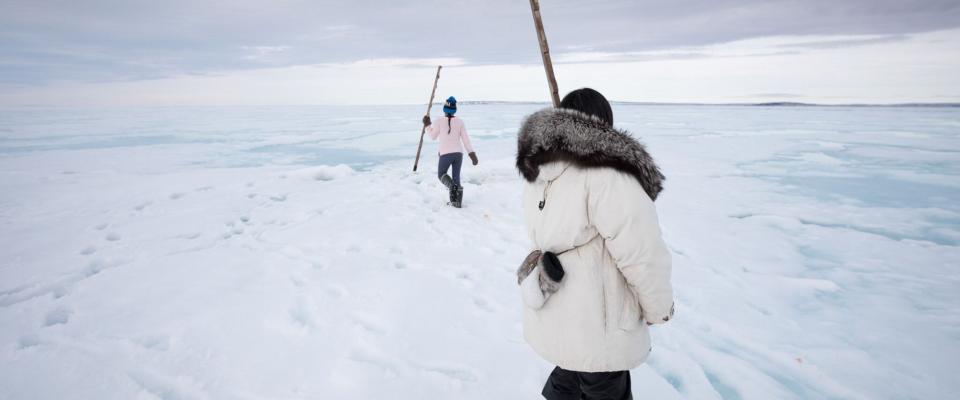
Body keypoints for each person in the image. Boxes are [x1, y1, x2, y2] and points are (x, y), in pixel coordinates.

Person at [515, 88, 674, 400]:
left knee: (572, 370)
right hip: (600, 323)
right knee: (598, 378)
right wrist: (658, 308)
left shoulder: (541, 172)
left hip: (562, 313)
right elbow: (641, 252)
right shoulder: (608, 175)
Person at [422, 96, 478, 208]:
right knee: (456, 178)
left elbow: (433, 136)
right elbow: (466, 140)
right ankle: (456, 203)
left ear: (444, 109)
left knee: (441, 174)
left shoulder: (439, 121)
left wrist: (427, 125)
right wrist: (471, 154)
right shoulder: (460, 122)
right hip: (458, 154)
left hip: (445, 154)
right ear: (454, 109)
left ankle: (453, 189)